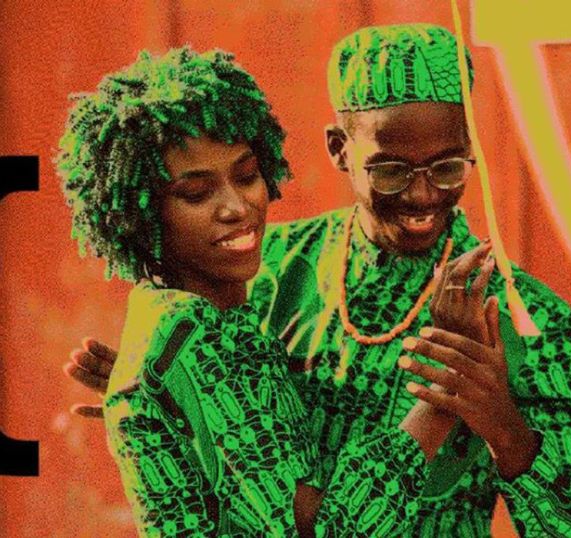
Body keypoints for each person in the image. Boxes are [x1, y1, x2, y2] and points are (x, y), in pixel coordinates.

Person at [66, 25, 571, 537]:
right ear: (339, 149)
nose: (422, 194)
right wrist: (181, 402)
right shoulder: (262, 267)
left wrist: (506, 431)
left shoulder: (529, 319)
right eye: (391, 171)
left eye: (448, 168)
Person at [58, 45, 462, 537]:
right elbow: (324, 530)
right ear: (138, 215)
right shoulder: (197, 334)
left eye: (247, 176)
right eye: (196, 194)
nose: (237, 207)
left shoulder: (190, 322)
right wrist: (444, 396)